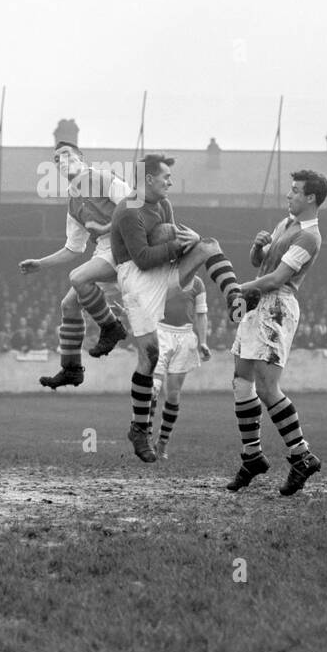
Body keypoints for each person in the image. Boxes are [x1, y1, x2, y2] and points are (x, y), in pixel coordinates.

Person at [109, 153, 245, 463]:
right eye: (165, 177)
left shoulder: (164, 205)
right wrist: (178, 245)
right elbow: (142, 257)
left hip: (163, 270)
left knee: (208, 244)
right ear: (147, 180)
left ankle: (234, 293)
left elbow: (174, 240)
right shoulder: (128, 211)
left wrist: (191, 240)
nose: (170, 181)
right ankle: (139, 429)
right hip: (137, 278)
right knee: (151, 354)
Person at [225, 169, 327, 497]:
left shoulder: (310, 237)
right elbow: (263, 264)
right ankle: (252, 455)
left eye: (296, 191)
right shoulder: (285, 224)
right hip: (256, 303)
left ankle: (302, 456)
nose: (289, 195)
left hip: (276, 307)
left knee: (268, 388)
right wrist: (256, 249)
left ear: (311, 198)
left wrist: (240, 287)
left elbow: (278, 278)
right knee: (242, 381)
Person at [21, 138, 133, 388]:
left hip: (125, 243)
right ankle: (71, 369)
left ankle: (111, 327)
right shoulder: (73, 203)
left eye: (67, 154)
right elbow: (74, 248)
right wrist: (41, 263)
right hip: (105, 250)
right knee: (69, 304)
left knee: (78, 277)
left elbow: (134, 206)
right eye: (57, 158)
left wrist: (105, 226)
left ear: (81, 159)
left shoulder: (103, 178)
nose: (62, 160)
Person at [147, 275, 210, 460]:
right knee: (153, 389)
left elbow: (201, 314)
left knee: (173, 394)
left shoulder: (198, 283)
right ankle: (147, 438)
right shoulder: (161, 276)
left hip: (185, 338)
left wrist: (203, 342)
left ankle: (163, 443)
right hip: (160, 333)